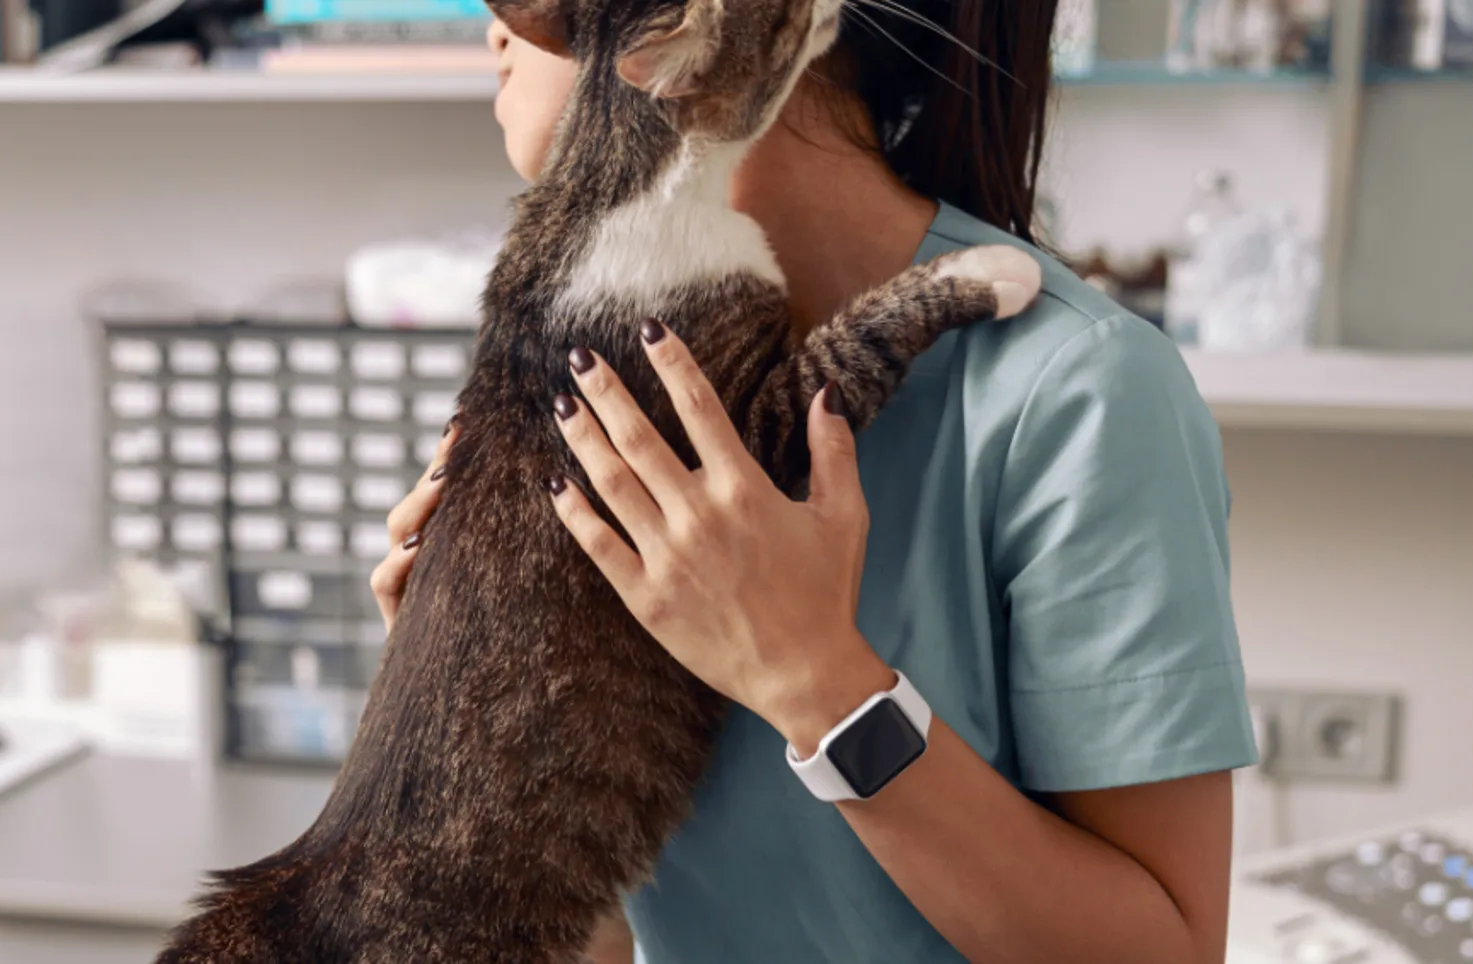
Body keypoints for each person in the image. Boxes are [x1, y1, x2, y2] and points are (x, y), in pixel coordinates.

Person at [370, 1, 1258, 961]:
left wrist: (819, 685)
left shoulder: (1075, 391)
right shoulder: (586, 362)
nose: (494, 27)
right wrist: (491, 736)